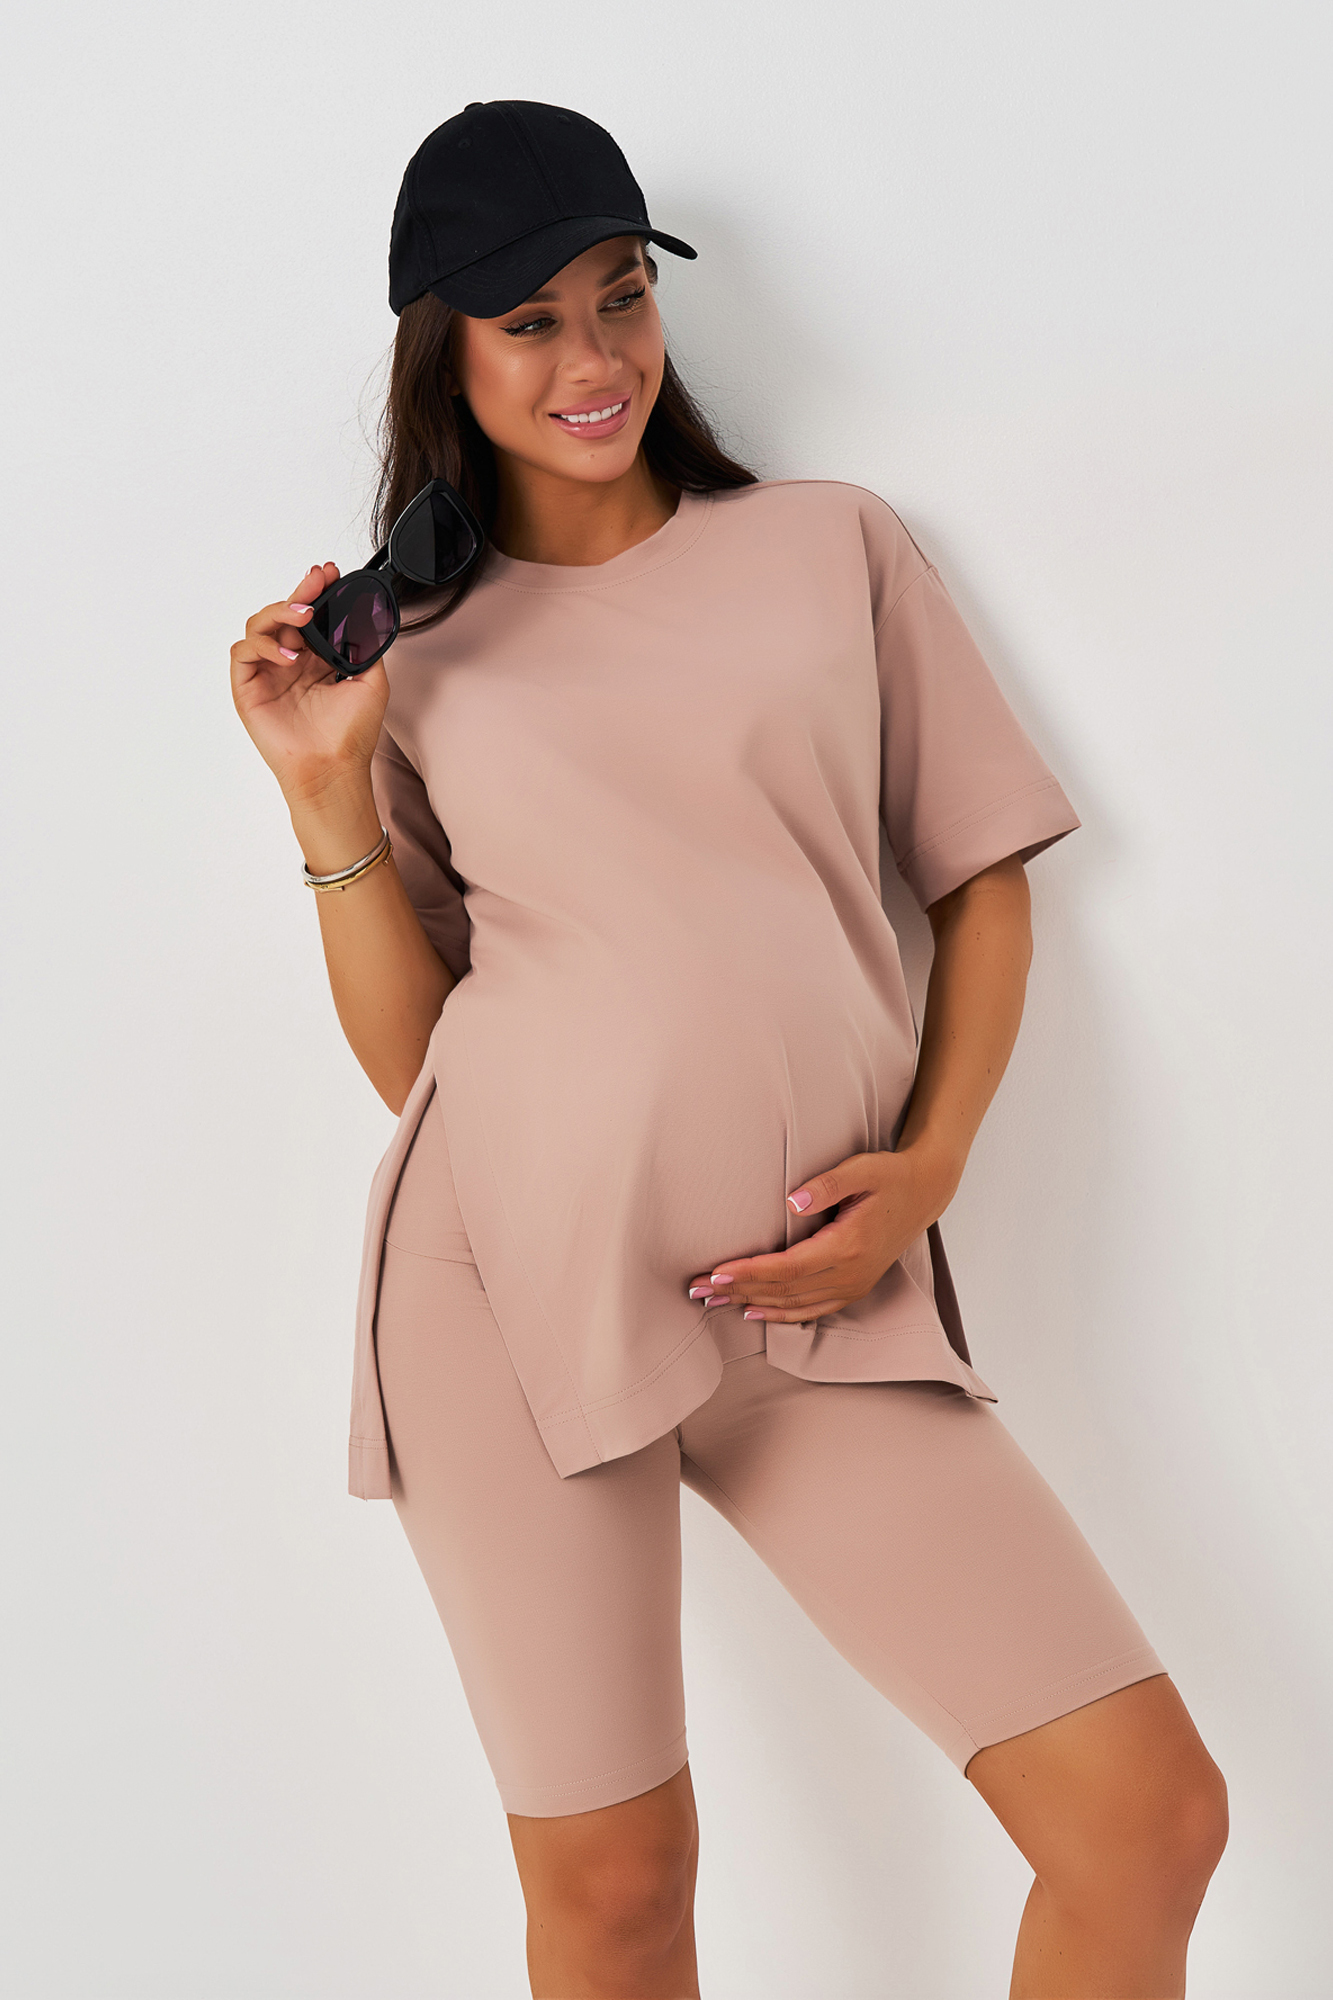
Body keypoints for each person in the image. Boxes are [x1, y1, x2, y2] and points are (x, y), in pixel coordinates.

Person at [231, 99, 1227, 2000]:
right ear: (443, 351)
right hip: (503, 1296)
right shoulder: (405, 655)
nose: (591, 360)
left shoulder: (829, 546)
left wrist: (927, 1172)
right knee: (619, 1893)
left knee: (1144, 1820)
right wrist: (324, 796)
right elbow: (418, 1060)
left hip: (816, 1293)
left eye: (620, 297)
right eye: (529, 322)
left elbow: (980, 885)